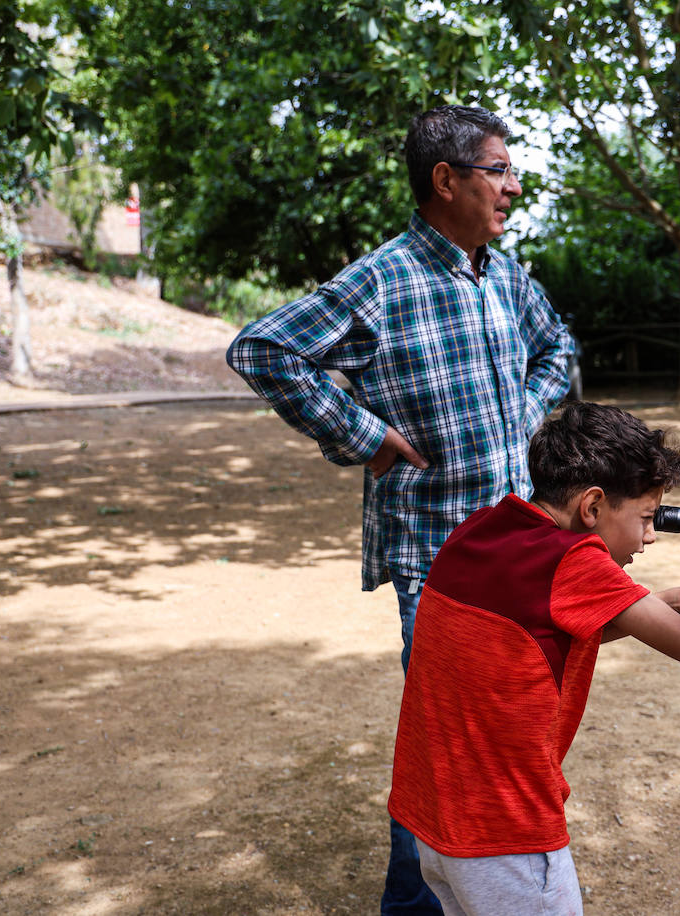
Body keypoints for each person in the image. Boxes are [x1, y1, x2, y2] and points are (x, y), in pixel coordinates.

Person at [226, 105, 575, 915]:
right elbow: (264, 349)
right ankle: (414, 905)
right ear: (445, 180)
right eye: (499, 169)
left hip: (516, 548)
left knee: (495, 739)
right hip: (438, 560)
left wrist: (524, 412)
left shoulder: (503, 273)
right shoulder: (381, 278)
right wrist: (363, 434)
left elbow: (558, 348)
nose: (514, 187)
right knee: (447, 745)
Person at [388, 401, 680, 914]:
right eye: (646, 518)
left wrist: (669, 600)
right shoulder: (575, 560)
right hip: (507, 832)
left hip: (433, 819)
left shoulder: (484, 528)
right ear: (592, 506)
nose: (650, 536)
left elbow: (544, 631)